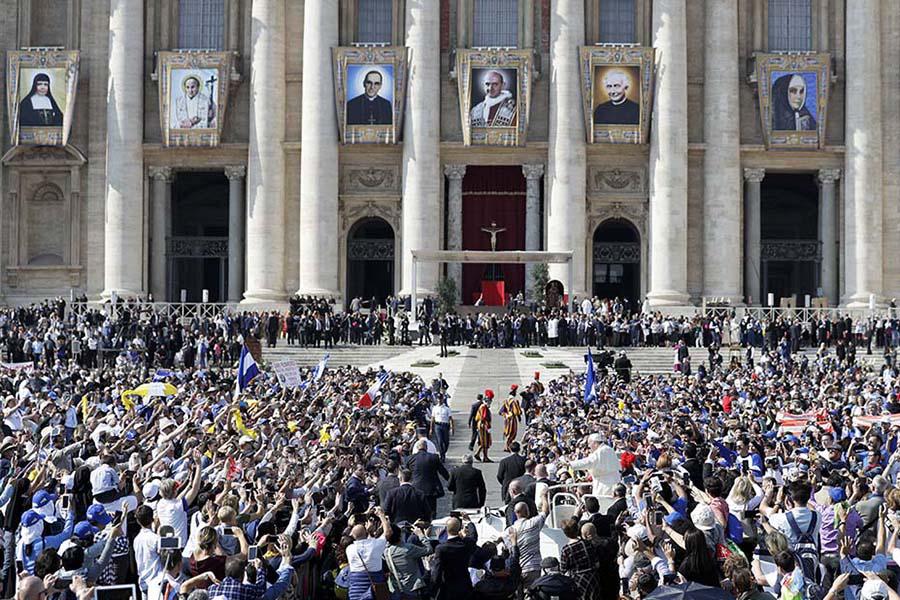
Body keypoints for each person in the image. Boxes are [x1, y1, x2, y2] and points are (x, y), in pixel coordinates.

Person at [346, 508, 392, 600]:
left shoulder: (349, 549)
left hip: (355, 592)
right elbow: (388, 533)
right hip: (375, 590)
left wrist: (367, 531)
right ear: (366, 533)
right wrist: (381, 516)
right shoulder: (375, 545)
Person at [430, 515, 478, 600]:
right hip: (465, 586)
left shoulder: (441, 548)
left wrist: (433, 592)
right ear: (459, 529)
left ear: (446, 529)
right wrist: (469, 522)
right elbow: (473, 536)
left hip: (448, 588)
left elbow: (437, 572)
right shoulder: (466, 544)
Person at [404, 440, 449, 517]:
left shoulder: (410, 459)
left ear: (417, 448)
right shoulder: (434, 457)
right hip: (431, 489)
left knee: (418, 511)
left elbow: (406, 474)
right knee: (432, 512)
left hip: (416, 488)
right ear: (426, 448)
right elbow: (443, 472)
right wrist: (451, 480)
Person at [430, 395, 453, 462]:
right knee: (440, 441)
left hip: (445, 425)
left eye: (440, 399)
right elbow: (432, 418)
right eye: (438, 399)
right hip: (438, 425)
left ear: (442, 399)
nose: (439, 400)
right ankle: (442, 456)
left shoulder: (446, 408)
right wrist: (431, 429)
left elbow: (450, 418)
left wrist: (452, 427)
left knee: (446, 442)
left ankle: (443, 452)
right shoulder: (435, 408)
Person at [500, 387, 523, 453]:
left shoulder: (506, 401)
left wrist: (506, 415)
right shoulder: (515, 401)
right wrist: (519, 418)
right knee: (512, 432)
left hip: (507, 419)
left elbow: (501, 411)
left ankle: (507, 446)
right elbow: (517, 412)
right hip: (512, 419)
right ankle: (507, 446)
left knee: (508, 432)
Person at [475, 391, 494, 463]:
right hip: (483, 425)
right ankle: (485, 457)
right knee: (485, 442)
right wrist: (488, 427)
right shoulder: (484, 407)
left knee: (484, 441)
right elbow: (484, 417)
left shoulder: (483, 407)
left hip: (482, 425)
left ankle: (478, 454)